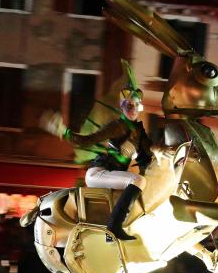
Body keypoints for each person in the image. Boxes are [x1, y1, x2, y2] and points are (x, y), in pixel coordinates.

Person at [40, 59, 153, 241]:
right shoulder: (117, 126)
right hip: (98, 174)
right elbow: (87, 140)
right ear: (122, 107)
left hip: (112, 177)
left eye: (136, 105)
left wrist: (167, 150)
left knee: (140, 185)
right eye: (128, 105)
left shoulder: (138, 132)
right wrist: (64, 131)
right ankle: (114, 227)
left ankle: (113, 233)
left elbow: (149, 151)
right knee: (138, 181)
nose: (132, 109)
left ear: (140, 107)